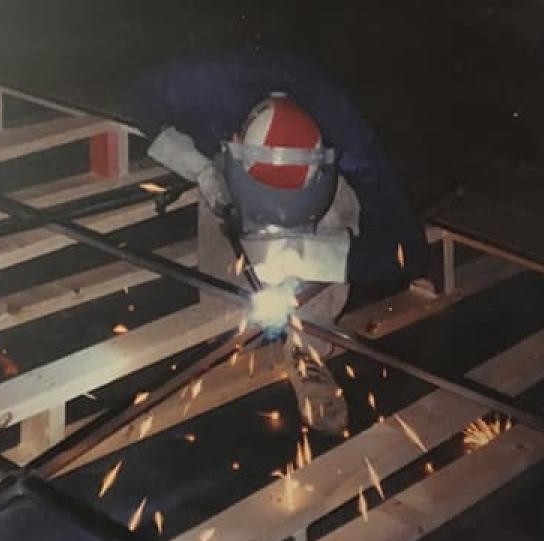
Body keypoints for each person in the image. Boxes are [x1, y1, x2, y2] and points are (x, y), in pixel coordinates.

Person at [130, 49, 428, 434]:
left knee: (343, 204)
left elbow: (409, 252)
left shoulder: (346, 131)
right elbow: (140, 95)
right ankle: (229, 313)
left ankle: (309, 343)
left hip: (315, 178)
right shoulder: (206, 86)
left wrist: (308, 255)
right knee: (222, 255)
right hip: (222, 161)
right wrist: (200, 168)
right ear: (237, 141)